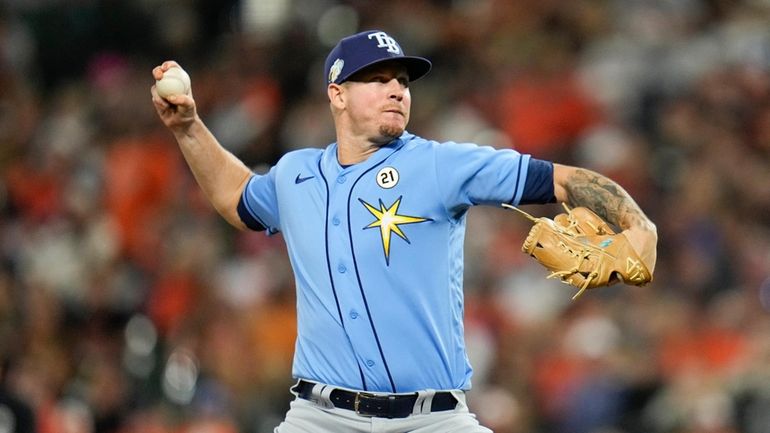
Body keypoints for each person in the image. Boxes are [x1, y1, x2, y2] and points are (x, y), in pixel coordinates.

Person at [151, 30, 657, 433]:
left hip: (434, 419)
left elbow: (565, 179)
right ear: (338, 94)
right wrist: (189, 128)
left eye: (403, 81)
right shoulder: (295, 174)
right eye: (378, 78)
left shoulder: (440, 165)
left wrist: (639, 225)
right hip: (320, 417)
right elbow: (237, 200)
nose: (396, 89)